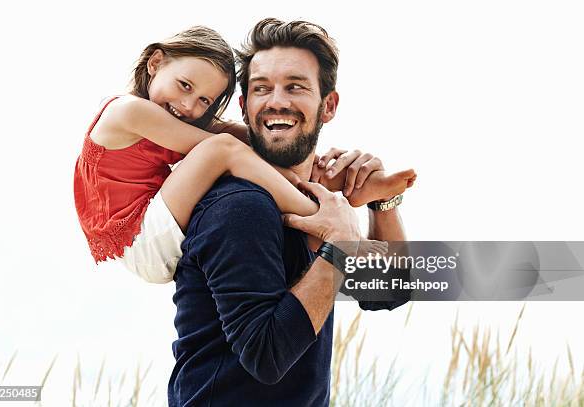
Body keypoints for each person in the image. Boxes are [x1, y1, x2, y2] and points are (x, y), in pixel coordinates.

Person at [168, 18, 412, 407]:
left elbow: (388, 291)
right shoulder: (240, 205)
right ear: (245, 106)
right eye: (261, 88)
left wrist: (382, 203)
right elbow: (267, 355)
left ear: (328, 105)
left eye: (295, 86)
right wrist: (342, 245)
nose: (276, 100)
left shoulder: (314, 204)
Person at [73, 26, 416, 284]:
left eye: (205, 101)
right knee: (222, 149)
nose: (190, 106)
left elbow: (388, 289)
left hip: (152, 229)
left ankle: (338, 191)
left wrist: (339, 174)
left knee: (227, 144)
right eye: (185, 86)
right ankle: (324, 211)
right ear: (156, 62)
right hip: (141, 236)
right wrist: (340, 234)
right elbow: (227, 144)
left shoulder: (176, 121)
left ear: (328, 105)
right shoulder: (129, 111)